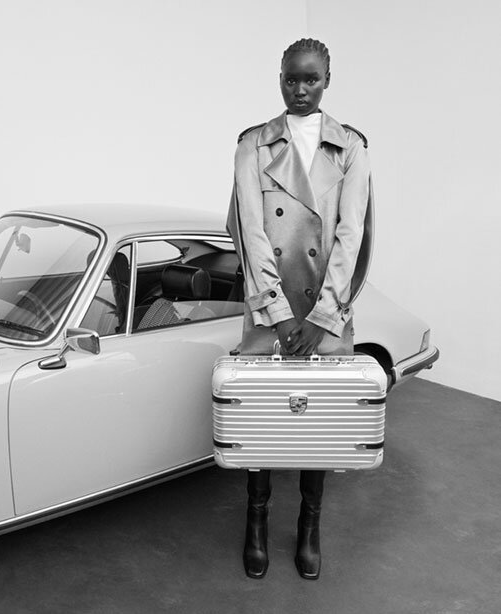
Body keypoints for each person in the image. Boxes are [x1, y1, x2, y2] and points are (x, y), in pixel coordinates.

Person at [226, 38, 374, 580]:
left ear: (327, 79)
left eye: (311, 79)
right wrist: (280, 313)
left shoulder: (351, 147)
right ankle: (257, 520)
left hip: (324, 313)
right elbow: (251, 231)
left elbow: (351, 235)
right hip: (271, 312)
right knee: (260, 419)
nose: (301, 89)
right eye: (292, 78)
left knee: (322, 424)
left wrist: (321, 318)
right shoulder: (252, 144)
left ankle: (310, 524)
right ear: (280, 78)